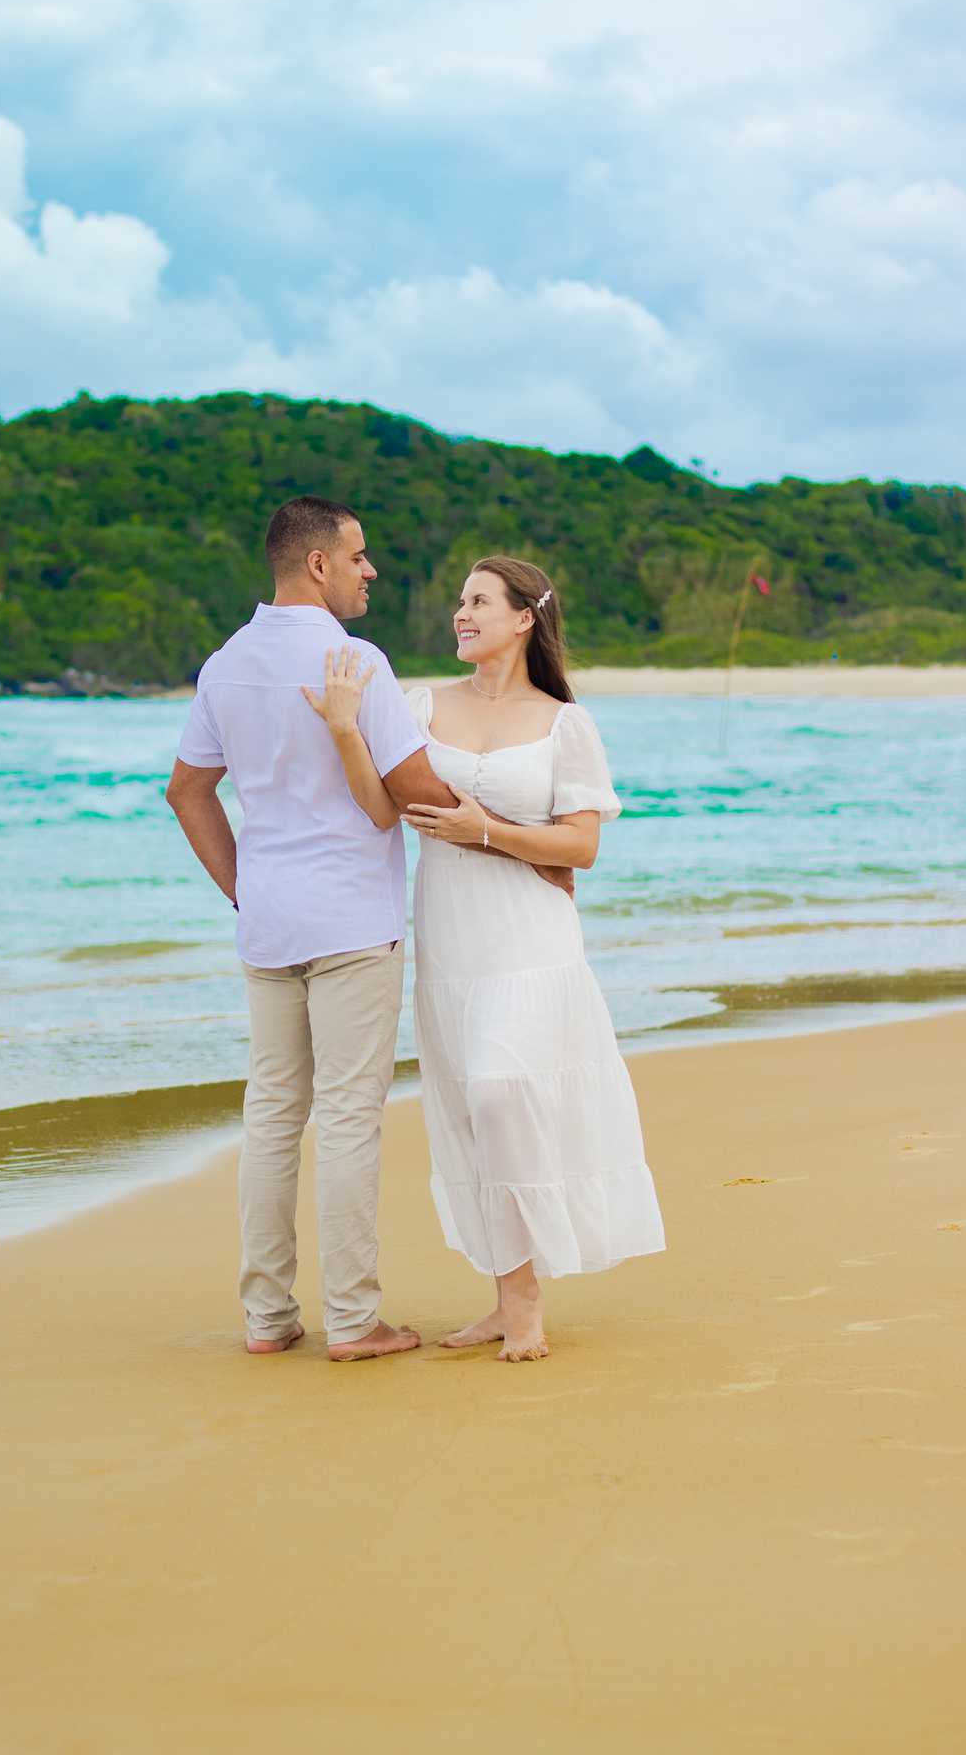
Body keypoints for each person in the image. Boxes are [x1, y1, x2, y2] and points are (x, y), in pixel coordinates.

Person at [165, 499, 569, 1361]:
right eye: (358, 557)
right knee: (348, 1119)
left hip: (268, 925)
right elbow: (414, 789)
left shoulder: (225, 664)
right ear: (319, 565)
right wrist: (525, 843)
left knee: (272, 1117)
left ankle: (268, 1318)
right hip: (349, 923)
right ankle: (353, 1321)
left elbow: (186, 792)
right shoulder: (355, 661)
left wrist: (244, 889)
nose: (370, 569)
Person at [311, 555, 665, 1361]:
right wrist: (344, 730)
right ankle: (506, 1300)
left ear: (524, 618)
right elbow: (381, 810)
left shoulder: (565, 724)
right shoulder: (421, 705)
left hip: (531, 936)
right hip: (452, 937)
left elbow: (581, 846)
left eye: (479, 601)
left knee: (503, 1093)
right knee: (477, 1113)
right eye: (460, 601)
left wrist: (490, 832)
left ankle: (526, 1300)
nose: (461, 614)